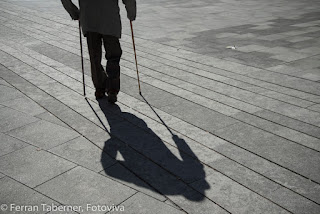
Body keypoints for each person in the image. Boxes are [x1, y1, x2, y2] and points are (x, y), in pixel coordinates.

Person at [61, 0, 136, 103]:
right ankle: (112, 89)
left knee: (94, 56)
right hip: (110, 19)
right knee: (113, 55)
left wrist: (74, 12)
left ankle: (100, 88)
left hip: (89, 18)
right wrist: (131, 13)